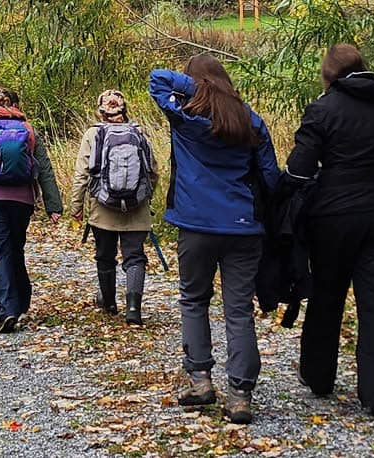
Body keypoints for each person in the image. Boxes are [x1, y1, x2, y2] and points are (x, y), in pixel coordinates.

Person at [150, 53, 280, 424]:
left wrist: (197, 88)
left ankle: (200, 380)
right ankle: (240, 395)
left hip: (196, 225)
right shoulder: (249, 120)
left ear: (196, 83)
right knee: (239, 310)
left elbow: (158, 77)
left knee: (193, 299)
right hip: (242, 227)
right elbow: (270, 178)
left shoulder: (186, 118)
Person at [287, 44, 374, 418]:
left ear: (328, 72)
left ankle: (318, 374)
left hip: (332, 219)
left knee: (327, 295)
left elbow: (298, 171)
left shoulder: (322, 110)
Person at [0, 90, 64, 334]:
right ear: (16, 104)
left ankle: (7, 309)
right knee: (16, 247)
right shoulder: (28, 130)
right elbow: (45, 169)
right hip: (23, 200)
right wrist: (54, 205)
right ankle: (22, 299)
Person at [69, 90, 159, 325]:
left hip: (102, 208)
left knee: (105, 256)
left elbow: (82, 174)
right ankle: (133, 309)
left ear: (101, 111)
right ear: (124, 109)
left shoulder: (93, 134)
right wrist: (144, 197)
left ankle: (109, 302)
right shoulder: (138, 132)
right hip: (136, 209)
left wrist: (76, 206)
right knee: (135, 257)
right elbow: (153, 171)